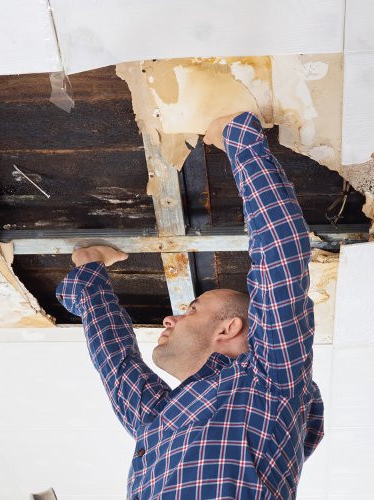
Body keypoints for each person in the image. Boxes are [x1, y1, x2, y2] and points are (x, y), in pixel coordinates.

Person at [56, 111, 324, 499]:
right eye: (193, 309)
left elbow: (116, 363)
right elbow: (281, 257)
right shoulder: (270, 381)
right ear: (229, 328)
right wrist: (238, 139)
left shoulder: (155, 423)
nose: (170, 317)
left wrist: (88, 271)